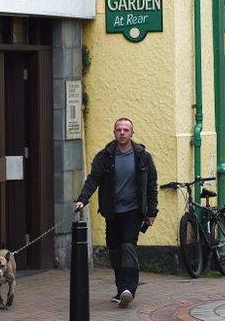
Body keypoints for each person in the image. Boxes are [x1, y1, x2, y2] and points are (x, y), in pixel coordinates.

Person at [74, 117, 158, 308]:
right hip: (111, 212)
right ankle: (122, 290)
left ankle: (129, 288)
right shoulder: (105, 156)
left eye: (126, 130)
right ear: (114, 132)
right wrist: (82, 200)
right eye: (119, 130)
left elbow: (151, 184)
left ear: (132, 133)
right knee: (115, 251)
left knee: (128, 247)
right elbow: (93, 180)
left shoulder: (142, 156)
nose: (122, 133)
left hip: (133, 211)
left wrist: (151, 211)